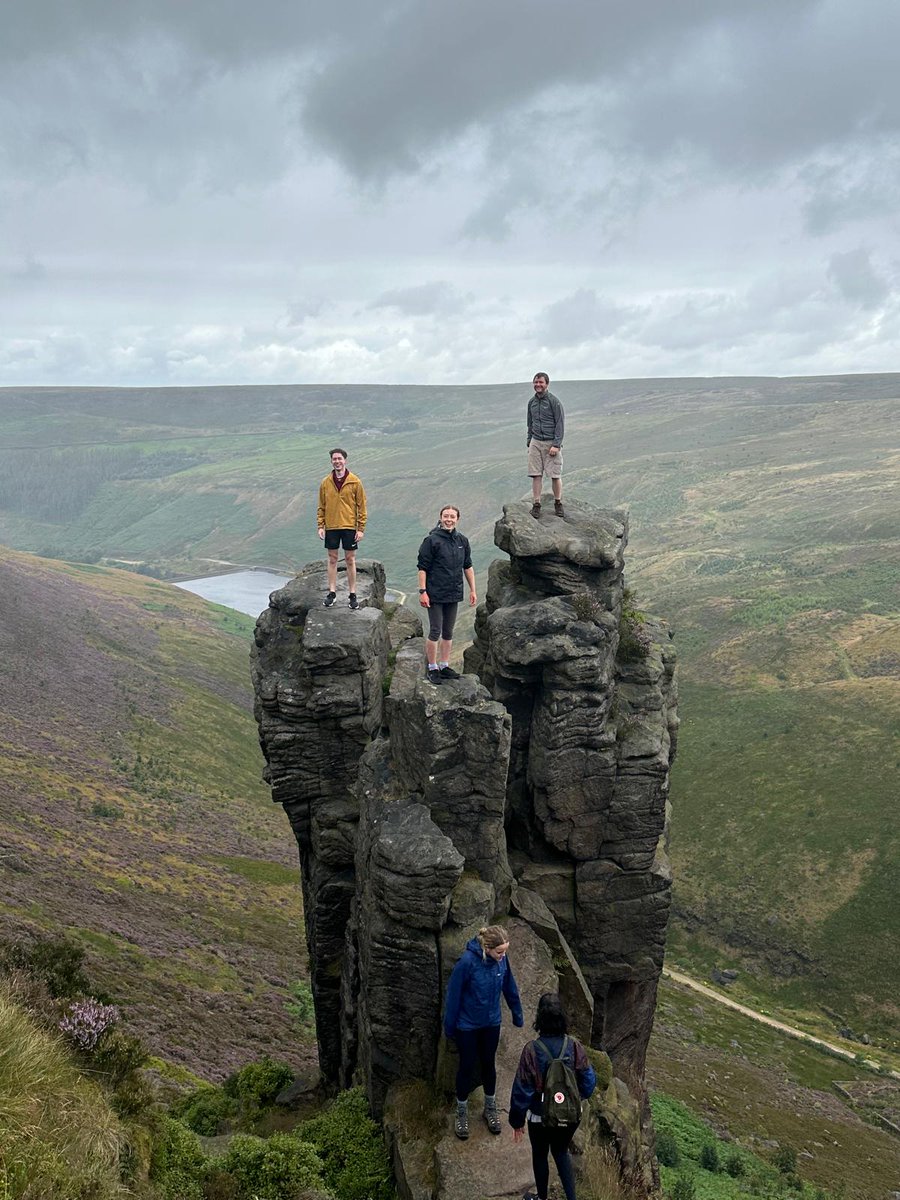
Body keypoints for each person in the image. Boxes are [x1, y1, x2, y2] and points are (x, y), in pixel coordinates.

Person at [509, 993, 597, 1200]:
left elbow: (522, 1089)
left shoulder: (531, 1050)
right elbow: (589, 1081)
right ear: (562, 1017)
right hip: (570, 1115)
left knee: (540, 1154)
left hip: (540, 1116)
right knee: (560, 1151)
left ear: (539, 1018)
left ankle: (541, 1197)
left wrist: (517, 1120)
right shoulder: (574, 1046)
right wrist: (574, 1098)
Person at [443, 924, 524, 1140]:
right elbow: (453, 995)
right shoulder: (467, 963)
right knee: (467, 1066)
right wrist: (449, 1026)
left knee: (488, 1064)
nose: (503, 955)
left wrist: (517, 1014)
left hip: (491, 1023)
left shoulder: (502, 961)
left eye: (505, 951)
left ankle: (490, 1107)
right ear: (487, 948)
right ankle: (461, 1112)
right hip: (467, 1026)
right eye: (500, 951)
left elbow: (510, 987)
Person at [416, 505, 476, 685]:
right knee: (435, 631)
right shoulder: (431, 541)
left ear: (458, 519)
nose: (449, 519)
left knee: (448, 632)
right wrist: (423, 592)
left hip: (453, 593)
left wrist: (473, 589)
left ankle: (444, 665)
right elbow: (422, 568)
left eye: (452, 516)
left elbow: (468, 566)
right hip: (434, 593)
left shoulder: (462, 541)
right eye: (445, 516)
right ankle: (433, 667)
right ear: (440, 518)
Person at [317, 448, 367, 609]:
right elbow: (321, 506)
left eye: (339, 458)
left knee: (350, 559)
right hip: (331, 525)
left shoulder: (355, 482)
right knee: (332, 559)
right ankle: (332, 593)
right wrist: (320, 526)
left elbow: (362, 506)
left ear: (345, 460)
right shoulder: (326, 482)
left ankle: (352, 594)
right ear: (331, 461)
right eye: (334, 459)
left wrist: (360, 528)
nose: (337, 461)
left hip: (349, 526)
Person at [526, 373, 565, 519]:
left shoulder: (554, 401)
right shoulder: (532, 403)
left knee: (555, 475)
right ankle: (537, 504)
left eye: (541, 382)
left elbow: (560, 424)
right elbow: (530, 423)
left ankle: (558, 502)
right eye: (536, 382)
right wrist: (529, 441)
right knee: (536, 474)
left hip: (551, 442)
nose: (538, 385)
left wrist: (556, 444)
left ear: (547, 384)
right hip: (536, 441)